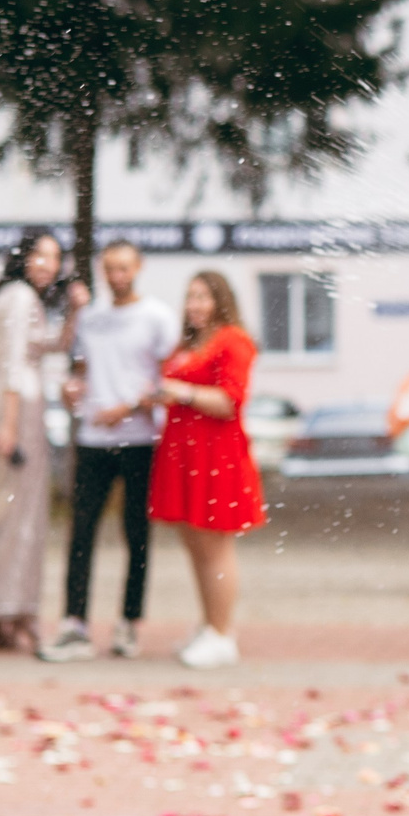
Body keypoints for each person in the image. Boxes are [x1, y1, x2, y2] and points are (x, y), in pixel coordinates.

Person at [42, 241, 179, 662]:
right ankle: (74, 624)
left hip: (139, 439)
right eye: (110, 269)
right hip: (92, 441)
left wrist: (131, 407)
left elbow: (169, 381)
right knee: (80, 531)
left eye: (124, 268)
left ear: (138, 267)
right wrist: (71, 392)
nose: (117, 276)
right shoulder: (92, 318)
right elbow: (79, 371)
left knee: (136, 534)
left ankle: (128, 623)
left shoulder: (157, 318)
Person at [149, 270, 265, 670]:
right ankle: (210, 624)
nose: (194, 305)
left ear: (221, 299)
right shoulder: (190, 343)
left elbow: (231, 401)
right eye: (190, 296)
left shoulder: (234, 340)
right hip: (185, 452)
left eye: (203, 297)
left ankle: (221, 633)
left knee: (215, 547)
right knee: (195, 545)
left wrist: (182, 392)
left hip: (216, 454)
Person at [0, 228, 81, 653]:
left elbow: (50, 345)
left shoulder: (17, 297)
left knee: (6, 513)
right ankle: (12, 611)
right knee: (15, 516)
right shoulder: (20, 298)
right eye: (40, 255)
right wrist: (10, 425)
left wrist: (74, 312)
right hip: (14, 411)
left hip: (10, 407)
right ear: (23, 257)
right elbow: (16, 364)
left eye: (55, 258)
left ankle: (6, 611)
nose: (48, 265)